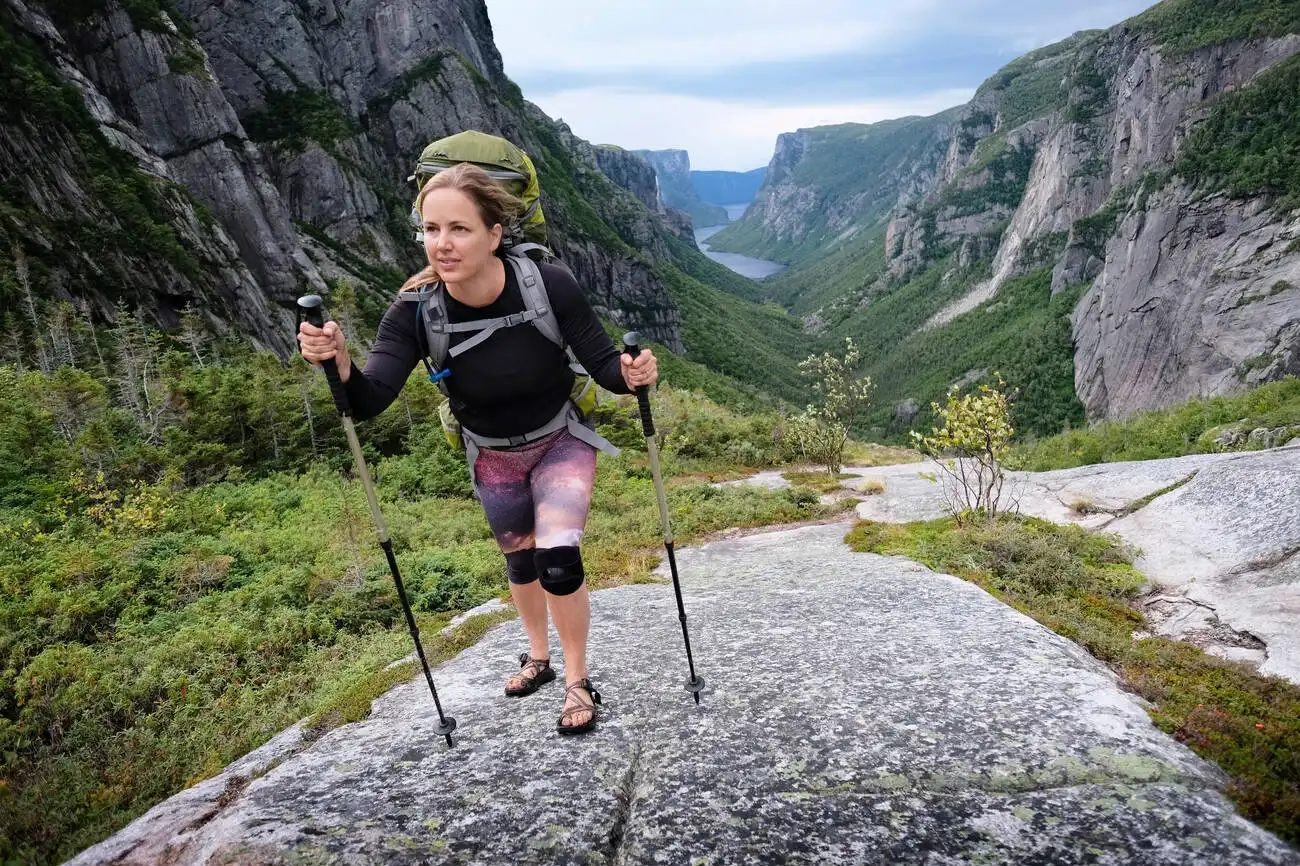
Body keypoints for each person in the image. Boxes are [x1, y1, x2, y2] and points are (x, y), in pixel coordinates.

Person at [298, 163, 658, 736]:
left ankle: (576, 678)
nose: (442, 243)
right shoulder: (415, 312)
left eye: (459, 229)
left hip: (559, 439)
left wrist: (634, 371)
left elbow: (605, 368)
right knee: (520, 559)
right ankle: (537, 657)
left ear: (494, 233)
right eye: (431, 228)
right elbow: (369, 399)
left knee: (557, 557)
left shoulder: (548, 285)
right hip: (491, 454)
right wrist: (338, 363)